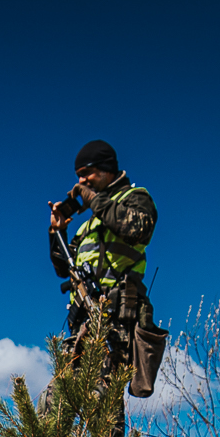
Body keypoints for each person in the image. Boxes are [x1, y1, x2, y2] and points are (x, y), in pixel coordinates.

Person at [49, 139, 161, 409]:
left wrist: (93, 200)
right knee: (56, 398)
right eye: (78, 175)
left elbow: (138, 230)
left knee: (101, 395)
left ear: (106, 168)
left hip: (116, 316)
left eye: (86, 172)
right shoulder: (89, 224)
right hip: (82, 320)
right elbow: (62, 266)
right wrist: (57, 232)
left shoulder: (135, 198)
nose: (81, 180)